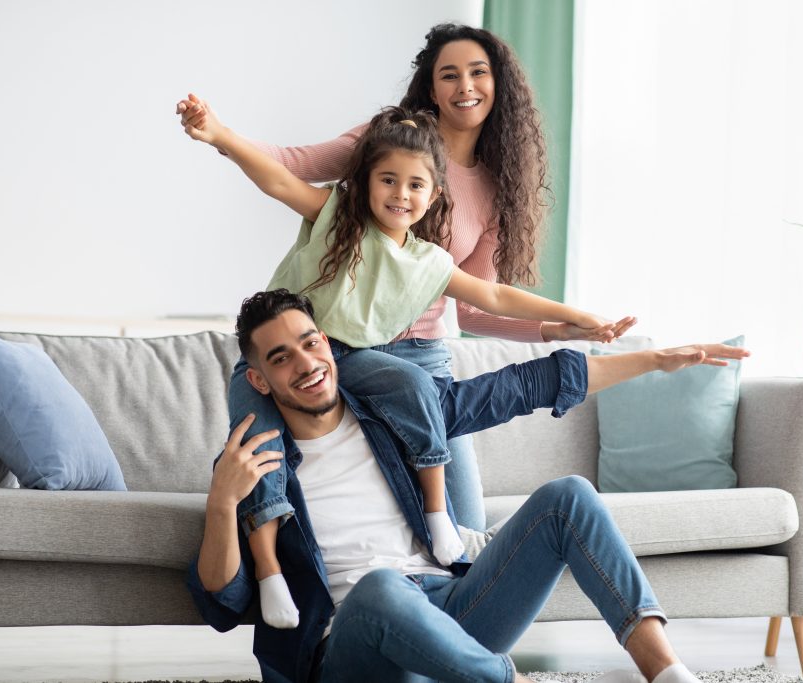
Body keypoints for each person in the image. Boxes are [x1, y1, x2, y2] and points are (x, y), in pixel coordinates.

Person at [177, 102, 634, 630]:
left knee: (417, 384)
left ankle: (439, 515)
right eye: (388, 180)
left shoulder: (429, 262)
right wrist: (220, 136)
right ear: (366, 183)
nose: (400, 194)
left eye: (415, 185)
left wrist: (574, 316)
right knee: (258, 450)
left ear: (434, 194)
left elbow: (493, 294)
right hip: (286, 362)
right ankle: (270, 571)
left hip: (351, 362)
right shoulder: (334, 219)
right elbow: (279, 182)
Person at [188, 288, 750, 683]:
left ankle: (667, 672)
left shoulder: (396, 416)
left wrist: (651, 360)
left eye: (311, 344)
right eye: (282, 358)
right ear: (259, 380)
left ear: (332, 347)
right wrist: (221, 502)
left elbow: (523, 385)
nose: (306, 364)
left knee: (569, 497)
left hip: (453, 609)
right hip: (352, 644)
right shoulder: (255, 463)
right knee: (383, 588)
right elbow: (224, 602)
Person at [177, 23, 603, 534]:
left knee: (464, 526)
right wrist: (218, 134)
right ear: (431, 87)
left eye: (477, 73)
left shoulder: (495, 188)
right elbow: (290, 170)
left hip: (422, 359)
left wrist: (559, 328)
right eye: (450, 75)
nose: (465, 86)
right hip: (343, 348)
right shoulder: (386, 142)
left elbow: (477, 305)